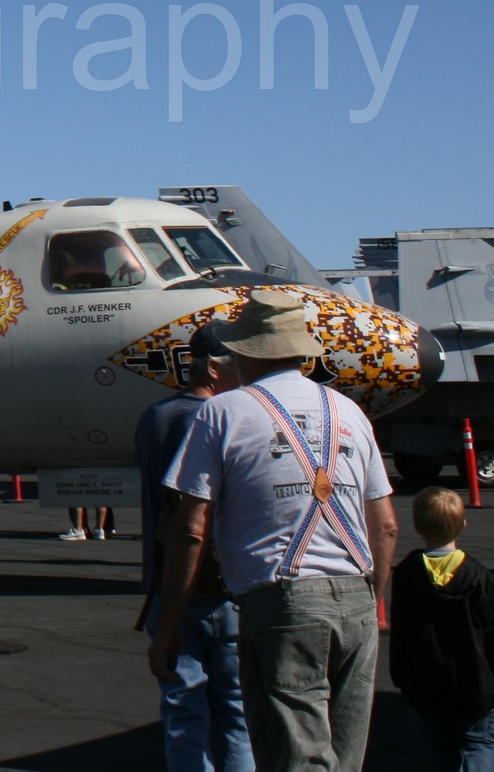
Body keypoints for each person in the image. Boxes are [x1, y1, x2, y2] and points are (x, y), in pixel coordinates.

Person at [151, 288, 398, 772]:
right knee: (345, 758)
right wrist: (372, 598)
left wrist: (170, 623)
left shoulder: (222, 413)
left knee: (293, 757)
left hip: (282, 601)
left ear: (245, 352)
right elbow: (385, 526)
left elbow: (191, 529)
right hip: (357, 597)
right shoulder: (349, 412)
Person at [137, 321, 252, 772]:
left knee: (184, 711)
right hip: (226, 586)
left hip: (166, 583)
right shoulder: (224, 418)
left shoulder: (154, 417)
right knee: (237, 712)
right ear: (216, 369)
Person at [389, 486, 494, 769]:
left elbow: (401, 630)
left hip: (426, 680)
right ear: (462, 524)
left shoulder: (408, 573)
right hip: (473, 681)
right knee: (478, 742)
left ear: (417, 526)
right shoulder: (478, 575)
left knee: (439, 745)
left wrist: (400, 673)